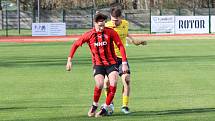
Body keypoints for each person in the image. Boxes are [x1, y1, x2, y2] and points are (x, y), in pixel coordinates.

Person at [66, 12, 128, 117]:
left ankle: (106, 107)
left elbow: (120, 46)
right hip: (98, 64)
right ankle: (94, 105)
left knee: (113, 83)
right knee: (99, 84)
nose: (102, 28)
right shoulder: (89, 35)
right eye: (100, 26)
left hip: (111, 63)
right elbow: (75, 44)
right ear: (94, 24)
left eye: (103, 25)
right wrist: (69, 60)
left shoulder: (110, 32)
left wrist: (124, 62)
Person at [103, 7, 146, 114]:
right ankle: (110, 103)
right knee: (107, 82)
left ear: (120, 18)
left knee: (126, 79)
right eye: (112, 20)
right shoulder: (106, 26)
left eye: (116, 20)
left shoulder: (125, 24)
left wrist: (137, 42)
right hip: (109, 59)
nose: (114, 22)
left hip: (122, 58)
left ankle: (125, 106)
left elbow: (128, 36)